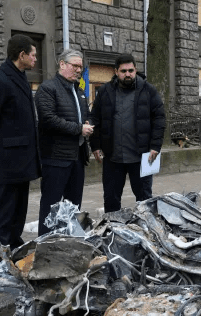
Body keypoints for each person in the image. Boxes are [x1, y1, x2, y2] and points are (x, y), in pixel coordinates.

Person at [0, 34, 41, 270]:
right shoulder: (1, 81)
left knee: (18, 211)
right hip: (8, 159)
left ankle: (13, 249)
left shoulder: (19, 77)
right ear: (21, 55)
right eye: (32, 54)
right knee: (4, 213)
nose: (35, 58)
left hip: (21, 159)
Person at [89, 54, 166, 213]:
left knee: (145, 200)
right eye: (123, 71)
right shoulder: (105, 91)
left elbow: (159, 118)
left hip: (144, 156)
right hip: (112, 157)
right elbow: (95, 118)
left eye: (131, 70)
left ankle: (147, 230)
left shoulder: (148, 90)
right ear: (116, 71)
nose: (128, 74)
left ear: (135, 70)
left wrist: (155, 146)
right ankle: (112, 230)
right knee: (111, 199)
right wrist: (95, 146)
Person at [35, 49, 93, 236]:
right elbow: (48, 119)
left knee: (74, 204)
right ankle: (45, 243)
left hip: (77, 156)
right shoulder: (48, 88)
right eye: (74, 66)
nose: (78, 70)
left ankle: (72, 241)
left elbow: (87, 116)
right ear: (62, 64)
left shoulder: (80, 91)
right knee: (51, 205)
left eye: (80, 67)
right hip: (56, 158)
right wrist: (78, 128)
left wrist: (88, 124)